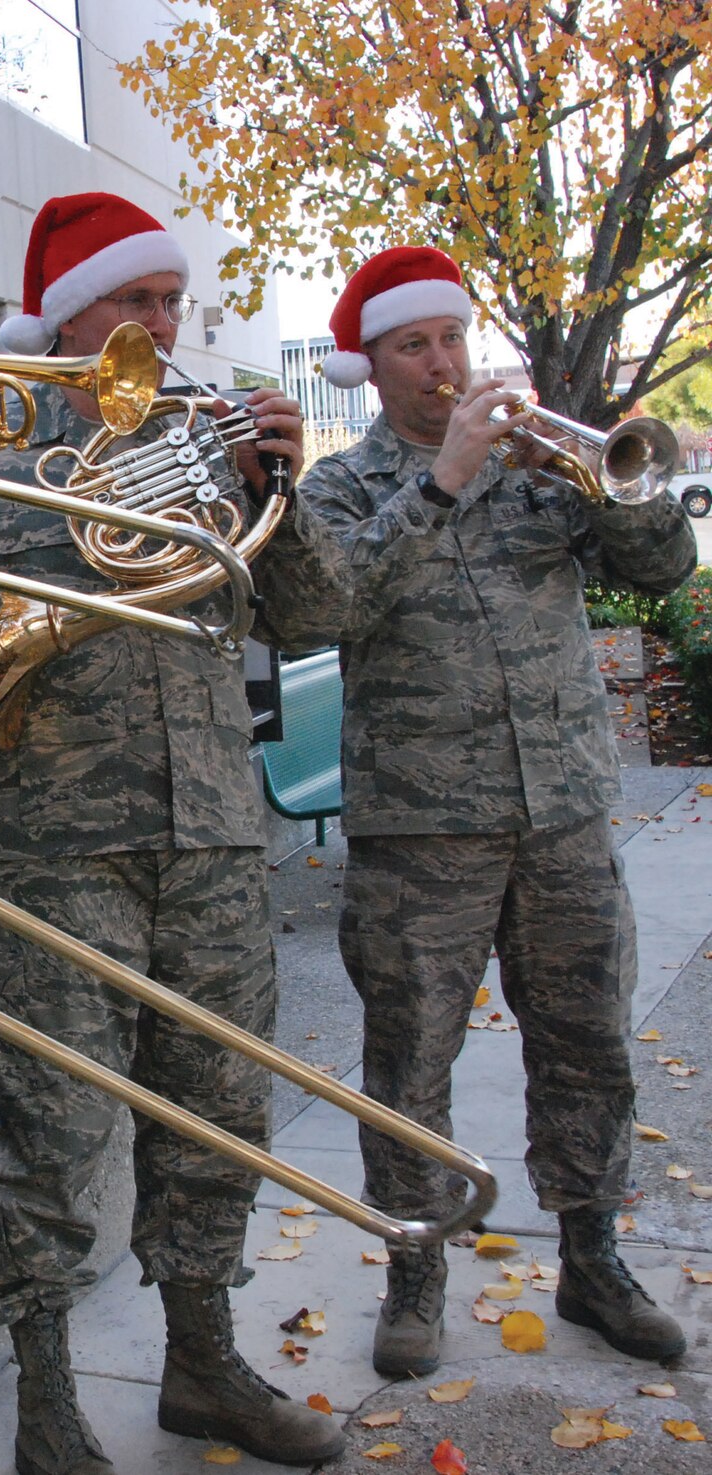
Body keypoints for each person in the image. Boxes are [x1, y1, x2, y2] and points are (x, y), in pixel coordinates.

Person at [0, 192, 349, 1474]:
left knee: (216, 1116)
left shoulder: (210, 445)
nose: (162, 325)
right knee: (51, 1132)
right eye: (134, 301)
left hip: (207, 833)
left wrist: (281, 487)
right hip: (54, 846)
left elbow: (307, 618)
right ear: (66, 316)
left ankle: (200, 1362)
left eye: (170, 302)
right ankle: (44, 1398)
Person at [301, 246, 697, 1379]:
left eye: (450, 339)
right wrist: (438, 483)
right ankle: (414, 1268)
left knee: (585, 1043)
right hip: (421, 830)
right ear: (368, 366)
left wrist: (619, 475)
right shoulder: (343, 487)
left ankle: (591, 1254)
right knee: (409, 1059)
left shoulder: (539, 468)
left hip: (561, 807)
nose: (441, 363)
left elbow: (660, 568)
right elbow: (320, 602)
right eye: (413, 345)